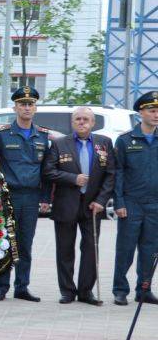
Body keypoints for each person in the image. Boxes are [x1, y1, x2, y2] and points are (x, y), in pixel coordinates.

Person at [44, 107, 114, 306]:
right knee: (65, 250)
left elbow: (110, 175)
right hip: (66, 204)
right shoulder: (59, 144)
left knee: (91, 249)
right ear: (72, 123)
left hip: (92, 206)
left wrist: (101, 201)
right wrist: (73, 178)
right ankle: (67, 291)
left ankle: (86, 291)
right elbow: (48, 172)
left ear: (93, 123)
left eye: (86, 119)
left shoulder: (104, 143)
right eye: (78, 119)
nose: (82, 122)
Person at [0, 86, 51, 302]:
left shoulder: (43, 136)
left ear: (35, 108)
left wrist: (45, 198)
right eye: (22, 104)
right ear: (15, 107)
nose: (27, 107)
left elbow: (47, 171)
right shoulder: (3, 134)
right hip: (8, 196)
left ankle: (22, 287)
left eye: (31, 104)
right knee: (5, 241)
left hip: (32, 197)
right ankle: (1, 286)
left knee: (25, 243)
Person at [112, 91, 158, 305]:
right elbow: (118, 173)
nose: (156, 114)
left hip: (155, 204)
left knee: (150, 250)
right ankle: (120, 290)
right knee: (126, 249)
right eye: (152, 110)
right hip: (131, 204)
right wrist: (119, 203)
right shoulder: (125, 141)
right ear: (141, 112)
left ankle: (144, 289)